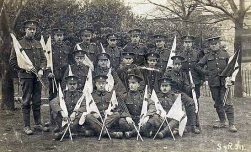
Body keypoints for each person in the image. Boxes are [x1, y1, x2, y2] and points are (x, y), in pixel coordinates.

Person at [9, 19, 49, 135]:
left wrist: (41, 69)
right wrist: (24, 69)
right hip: (26, 77)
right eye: (29, 29)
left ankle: (38, 124)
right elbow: (12, 61)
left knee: (37, 101)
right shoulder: (19, 44)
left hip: (38, 77)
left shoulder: (38, 43)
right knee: (26, 101)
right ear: (25, 30)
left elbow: (43, 59)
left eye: (34, 29)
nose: (32, 31)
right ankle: (26, 126)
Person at [195, 36, 237, 132]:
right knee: (217, 103)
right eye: (212, 45)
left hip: (224, 83)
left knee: (228, 102)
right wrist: (207, 73)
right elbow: (198, 66)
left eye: (215, 44)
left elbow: (232, 66)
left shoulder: (225, 54)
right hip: (213, 83)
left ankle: (232, 124)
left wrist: (229, 77)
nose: (214, 46)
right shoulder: (207, 56)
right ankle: (223, 121)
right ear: (210, 46)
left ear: (219, 44)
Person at [178, 35, 204, 128]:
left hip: (195, 81)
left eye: (189, 42)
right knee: (187, 101)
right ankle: (189, 121)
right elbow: (179, 69)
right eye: (185, 42)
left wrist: (201, 80)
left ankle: (196, 121)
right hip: (185, 82)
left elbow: (201, 67)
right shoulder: (180, 55)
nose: (187, 44)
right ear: (183, 44)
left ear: (192, 43)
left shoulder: (197, 54)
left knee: (196, 100)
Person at [50, 74, 87, 140]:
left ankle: (62, 133)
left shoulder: (81, 95)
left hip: (75, 118)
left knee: (82, 114)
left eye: (74, 84)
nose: (72, 86)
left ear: (77, 85)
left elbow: (85, 106)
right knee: (54, 112)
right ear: (67, 84)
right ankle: (70, 131)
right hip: (65, 117)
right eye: (70, 84)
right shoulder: (63, 94)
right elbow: (53, 102)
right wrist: (61, 112)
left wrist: (75, 112)